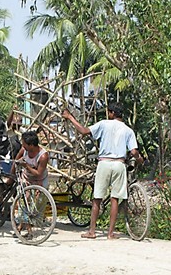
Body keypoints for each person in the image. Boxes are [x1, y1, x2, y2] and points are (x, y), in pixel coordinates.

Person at [62, 102, 144, 239]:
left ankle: (92, 231)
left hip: (104, 163)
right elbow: (134, 151)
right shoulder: (128, 130)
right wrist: (140, 159)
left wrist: (70, 117)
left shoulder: (104, 124)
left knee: (97, 198)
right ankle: (110, 233)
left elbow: (84, 131)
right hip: (119, 164)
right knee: (115, 199)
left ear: (111, 113)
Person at [10, 130, 50, 238]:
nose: (22, 145)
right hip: (26, 178)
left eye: (24, 143)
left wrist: (26, 165)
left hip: (40, 179)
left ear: (31, 145)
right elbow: (16, 161)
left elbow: (38, 173)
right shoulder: (24, 150)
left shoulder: (43, 156)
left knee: (36, 206)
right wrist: (11, 176)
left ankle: (25, 227)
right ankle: (26, 228)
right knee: (24, 201)